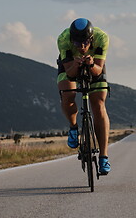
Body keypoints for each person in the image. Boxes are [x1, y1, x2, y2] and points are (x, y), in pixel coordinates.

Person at [57, 18, 111, 175]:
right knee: (68, 95)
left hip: (95, 65)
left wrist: (91, 64)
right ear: (71, 40)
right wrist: (76, 65)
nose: (81, 47)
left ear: (91, 39)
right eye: (77, 44)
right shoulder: (63, 39)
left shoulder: (102, 38)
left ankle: (103, 157)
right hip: (70, 66)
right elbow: (70, 73)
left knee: (99, 104)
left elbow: (98, 70)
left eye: (85, 43)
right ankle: (73, 127)